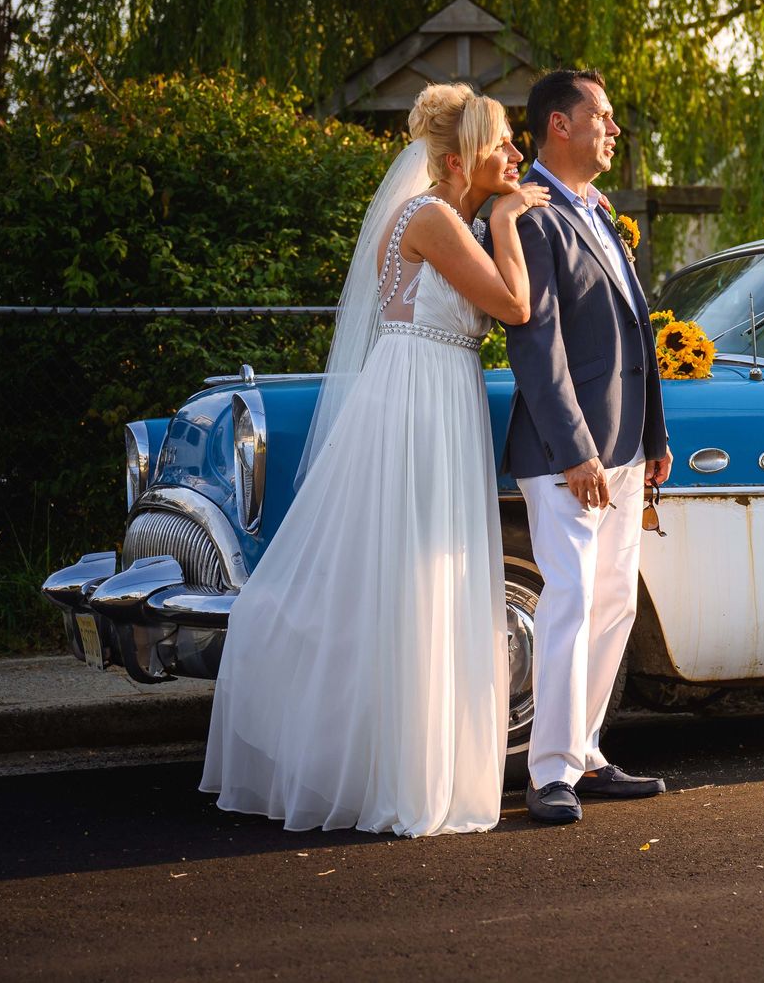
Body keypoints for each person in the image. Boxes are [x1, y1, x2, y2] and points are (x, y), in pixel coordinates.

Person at [200, 83, 549, 836]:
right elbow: (514, 305)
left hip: (433, 390)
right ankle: (391, 768)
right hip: (421, 401)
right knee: (410, 575)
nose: (516, 155)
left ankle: (399, 759)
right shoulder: (432, 218)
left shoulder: (440, 216)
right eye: (502, 145)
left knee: (416, 577)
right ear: (460, 160)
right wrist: (510, 219)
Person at [504, 68, 671, 826]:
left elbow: (639, 331)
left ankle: (587, 753)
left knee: (612, 605)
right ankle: (547, 775)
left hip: (627, 448)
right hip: (566, 453)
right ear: (558, 126)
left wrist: (655, 436)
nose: (613, 130)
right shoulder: (534, 219)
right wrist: (577, 449)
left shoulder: (599, 211)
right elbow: (538, 348)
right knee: (568, 601)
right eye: (601, 117)